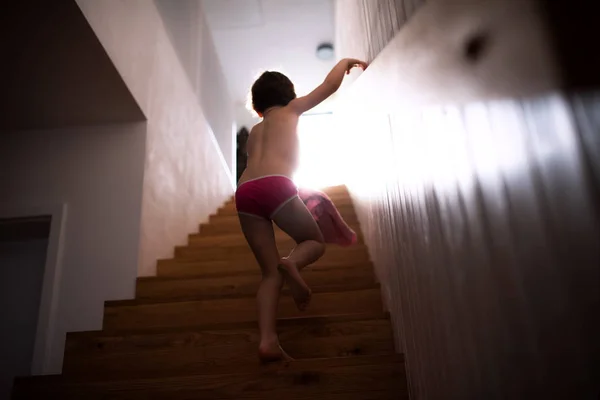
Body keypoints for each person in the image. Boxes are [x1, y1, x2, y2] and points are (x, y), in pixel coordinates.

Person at [235, 58, 368, 363]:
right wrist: (345, 62)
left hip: (245, 193)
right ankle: (292, 263)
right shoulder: (292, 109)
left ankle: (268, 340)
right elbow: (329, 86)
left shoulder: (254, 132)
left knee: (268, 274)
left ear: (257, 108)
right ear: (288, 95)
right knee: (314, 241)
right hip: (276, 186)